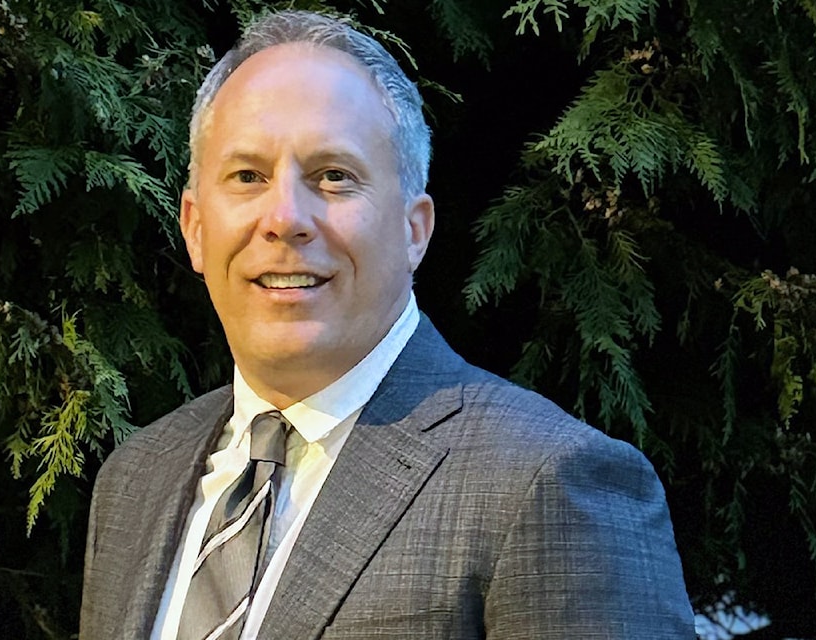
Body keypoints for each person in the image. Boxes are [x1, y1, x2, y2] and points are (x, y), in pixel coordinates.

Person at [79, 9, 696, 639]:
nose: (284, 218)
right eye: (247, 177)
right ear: (195, 227)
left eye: (334, 177)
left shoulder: (547, 481)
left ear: (413, 229)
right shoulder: (134, 481)